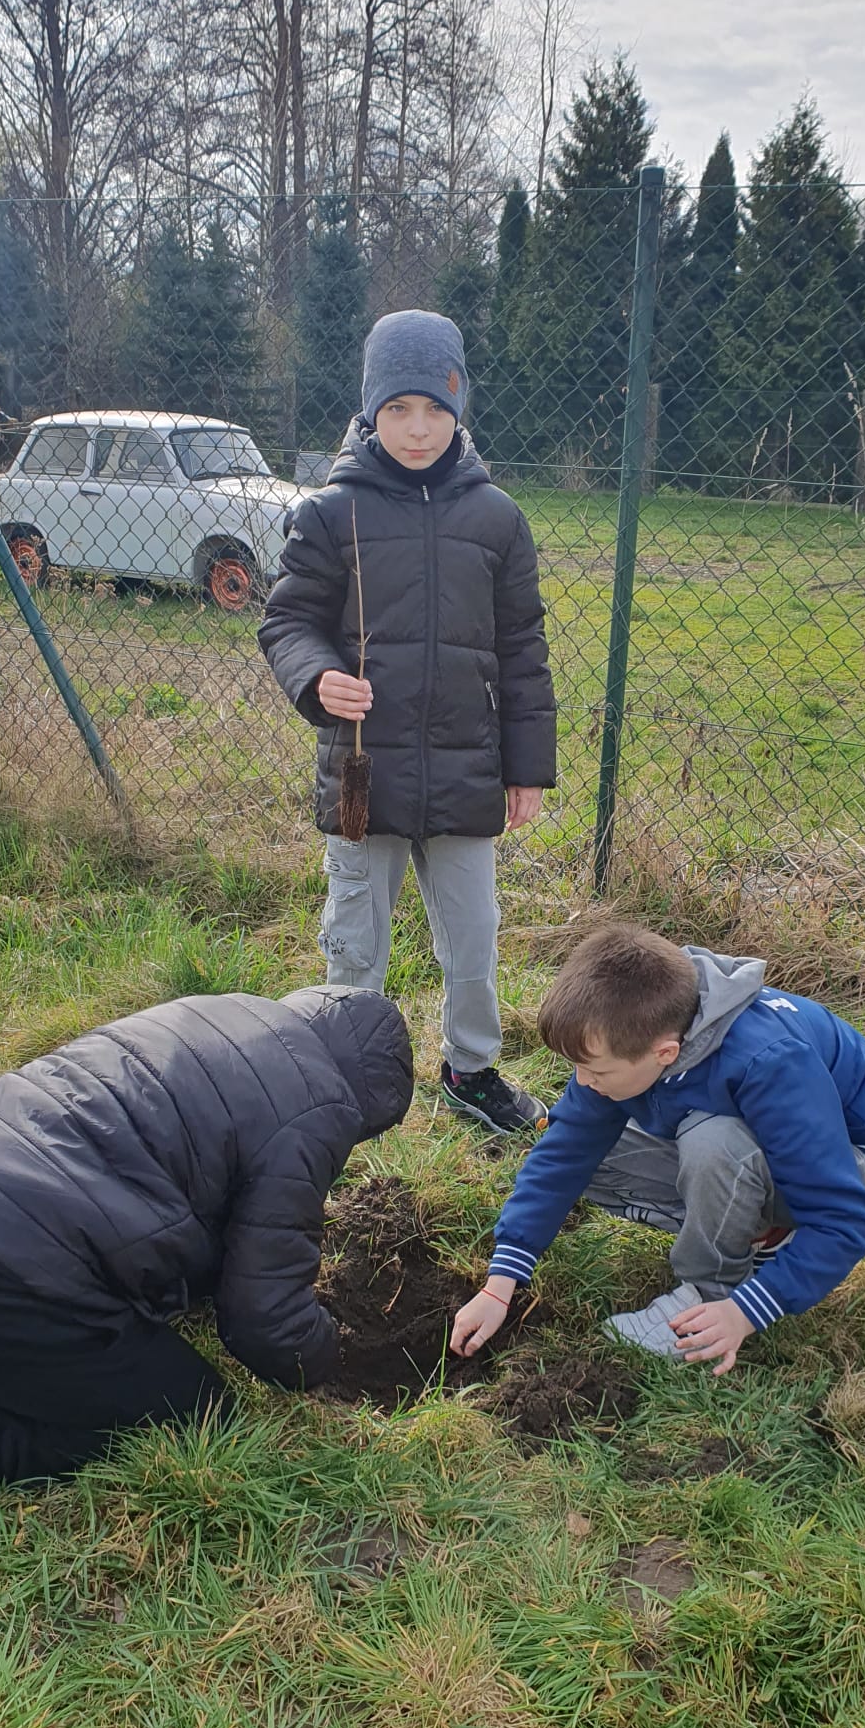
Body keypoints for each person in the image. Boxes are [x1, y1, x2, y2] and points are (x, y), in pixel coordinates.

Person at [258, 308, 557, 1135]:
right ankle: (342, 1074)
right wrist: (316, 676)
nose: (417, 429)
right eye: (398, 410)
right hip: (366, 775)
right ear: (369, 414)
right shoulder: (330, 513)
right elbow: (287, 623)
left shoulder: (498, 519)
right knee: (355, 937)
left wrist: (526, 767)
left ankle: (471, 1070)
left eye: (435, 407)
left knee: (474, 941)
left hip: (467, 771)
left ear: (461, 407)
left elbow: (523, 649)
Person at [0, 986, 413, 1483]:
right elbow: (263, 1323)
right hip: (21, 1268)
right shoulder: (320, 1106)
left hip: (12, 1168)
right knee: (198, 1413)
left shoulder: (223, 1010)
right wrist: (327, 1355)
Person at [451, 923, 865, 1374]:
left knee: (714, 1141)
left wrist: (746, 1311)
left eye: (596, 1071)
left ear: (665, 1054)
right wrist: (501, 1283)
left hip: (853, 1168)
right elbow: (563, 1154)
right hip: (760, 1155)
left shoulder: (771, 1061)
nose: (583, 1082)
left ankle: (710, 1293)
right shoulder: (639, 1026)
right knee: (590, 1158)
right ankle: (758, 1234)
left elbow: (843, 1219)